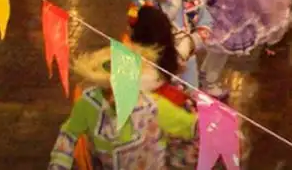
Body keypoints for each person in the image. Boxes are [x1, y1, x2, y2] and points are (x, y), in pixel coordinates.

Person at [48, 44, 196, 170]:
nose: (113, 97)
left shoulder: (153, 107)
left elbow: (193, 128)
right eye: (108, 89)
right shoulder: (88, 104)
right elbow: (69, 133)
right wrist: (59, 164)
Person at [110, 0, 213, 88]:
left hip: (183, 65)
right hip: (147, 58)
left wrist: (188, 44)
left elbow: (206, 24)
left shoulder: (192, 1)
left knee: (187, 101)